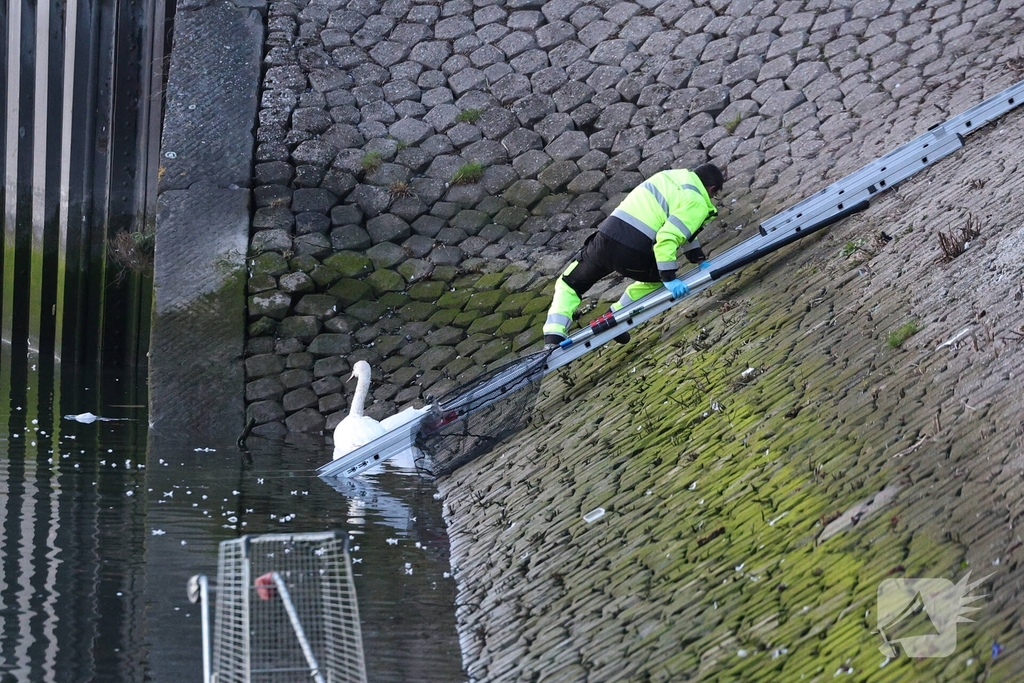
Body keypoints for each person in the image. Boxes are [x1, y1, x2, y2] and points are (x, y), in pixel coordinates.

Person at [543, 163, 725, 348]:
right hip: (634, 250)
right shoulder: (697, 200)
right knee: (656, 282)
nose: (712, 198)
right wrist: (669, 278)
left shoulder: (669, 176)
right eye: (714, 195)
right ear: (711, 188)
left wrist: (699, 259)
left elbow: (684, 230)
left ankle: (553, 336)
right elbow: (668, 237)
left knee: (569, 283)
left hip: (605, 238)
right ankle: (617, 315)